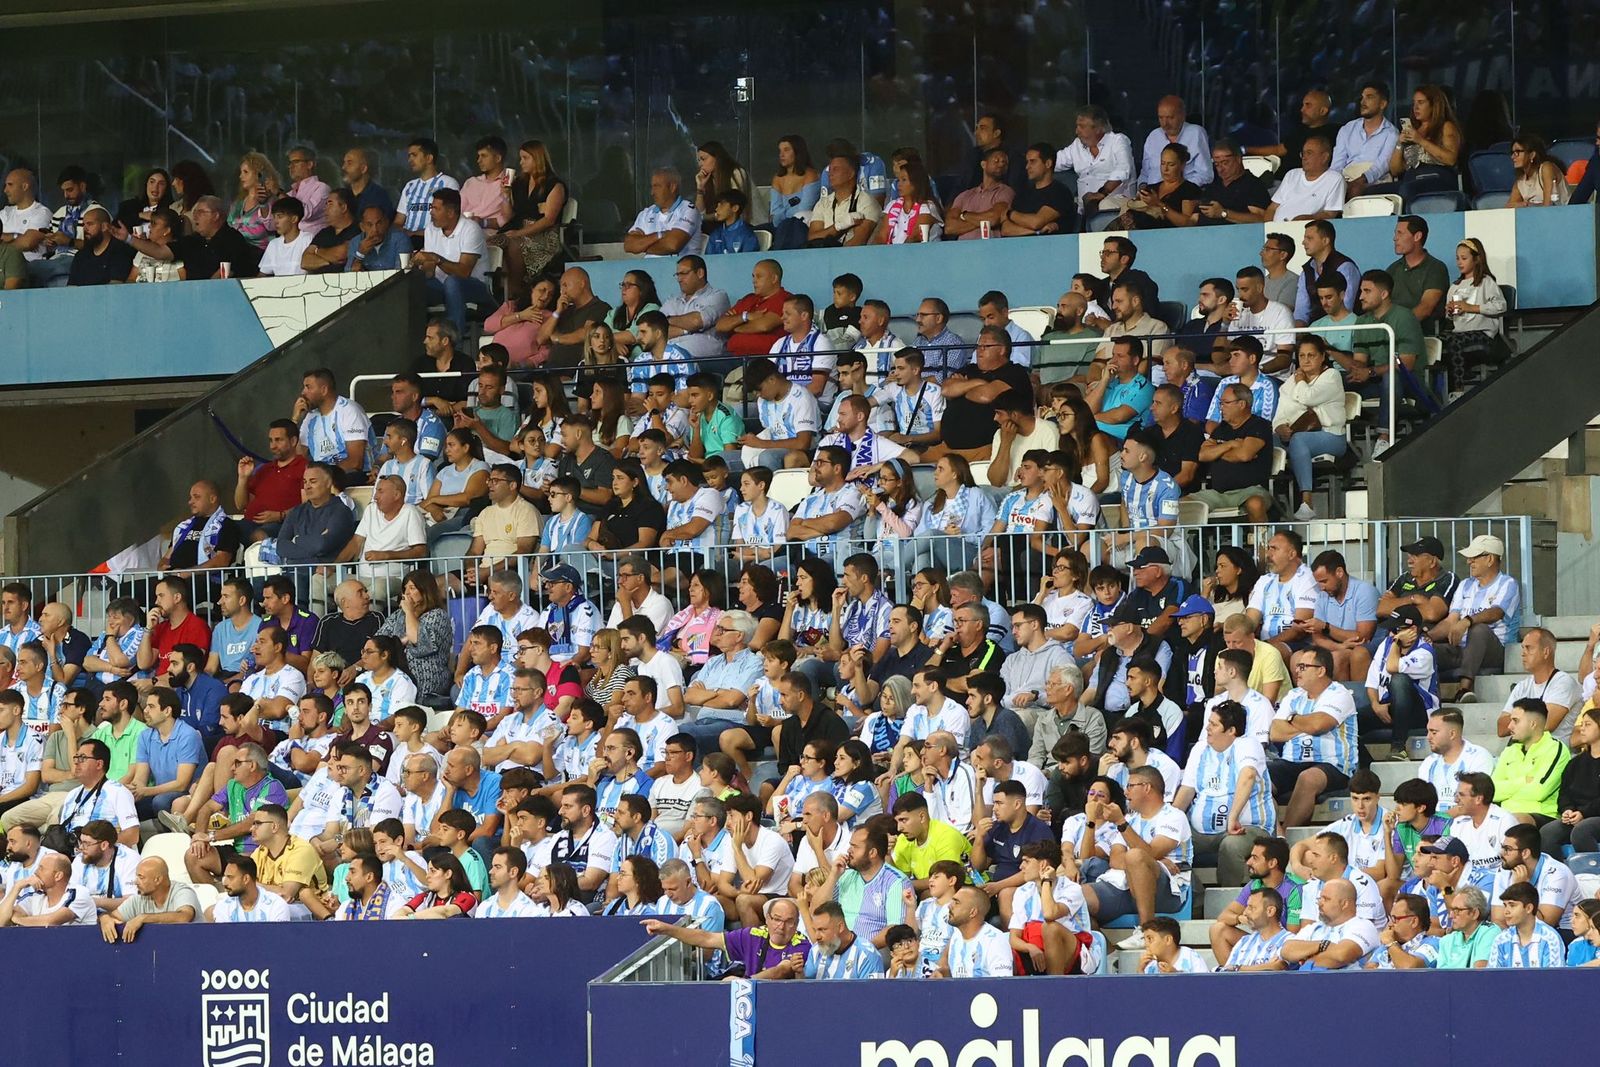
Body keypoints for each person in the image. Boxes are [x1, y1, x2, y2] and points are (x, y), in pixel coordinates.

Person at [1081, 765, 1192, 948]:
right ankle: (1109, 953)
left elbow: (1151, 853)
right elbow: (1115, 860)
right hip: (1124, 885)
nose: (1125, 792)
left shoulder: (1173, 816)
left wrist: (1121, 824)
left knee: (1135, 856)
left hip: (1168, 891)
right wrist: (1142, 862)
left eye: (1130, 786)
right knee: (1073, 899)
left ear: (1147, 787)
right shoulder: (1131, 820)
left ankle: (1146, 930)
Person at [1177, 700, 1276, 886]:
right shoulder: (1199, 749)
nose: (1207, 728)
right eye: (1209, 723)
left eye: (1214, 725)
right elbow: (1187, 790)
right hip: (1201, 832)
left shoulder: (1248, 744)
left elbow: (1247, 776)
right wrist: (1170, 821)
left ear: (1231, 730)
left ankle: (1229, 899)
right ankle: (1196, 895)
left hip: (1247, 827)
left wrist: (1233, 817)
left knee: (1231, 845)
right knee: (1170, 842)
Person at [1269, 647, 1359, 827]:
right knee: (1258, 777)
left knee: (1308, 778)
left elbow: (1318, 726)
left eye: (1303, 667)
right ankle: (1276, 834)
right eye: (1297, 666)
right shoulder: (1294, 694)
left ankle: (1286, 836)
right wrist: (1307, 725)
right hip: (1291, 761)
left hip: (1333, 764)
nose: (1297, 670)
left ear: (1321, 670)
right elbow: (1275, 733)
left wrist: (1291, 718)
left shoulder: (1339, 694)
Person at [1431, 534, 1519, 701]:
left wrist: (1467, 621)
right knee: (1426, 649)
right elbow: (1451, 621)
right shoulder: (1465, 585)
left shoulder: (1508, 584)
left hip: (1494, 651)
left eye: (1474, 557)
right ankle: (1426, 698)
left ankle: (1464, 690)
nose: (1468, 561)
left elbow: (1496, 613)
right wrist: (1426, 637)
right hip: (1462, 650)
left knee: (1479, 630)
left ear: (1490, 559)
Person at [1491, 698, 1571, 827]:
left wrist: (1507, 788)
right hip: (1506, 814)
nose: (1509, 726)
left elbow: (1539, 792)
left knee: (1514, 820)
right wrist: (1523, 781)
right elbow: (1492, 791)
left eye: (1515, 721)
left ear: (1533, 724)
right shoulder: (1510, 750)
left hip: (1542, 815)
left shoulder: (1555, 749)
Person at [1442, 237, 1508, 383]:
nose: (1459, 262)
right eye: (1457, 258)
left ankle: (1458, 387)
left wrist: (1471, 307)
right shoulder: (1454, 287)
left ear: (1477, 259)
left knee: (1455, 342)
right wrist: (1449, 311)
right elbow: (1450, 318)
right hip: (1459, 332)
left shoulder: (1486, 282)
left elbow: (1501, 305)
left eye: (1464, 258)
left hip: (1482, 334)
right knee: (1439, 342)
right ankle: (1446, 385)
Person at [1279, 879, 1381, 971]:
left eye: (1326, 899)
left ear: (1344, 904)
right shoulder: (1314, 927)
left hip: (1343, 984)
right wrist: (1323, 945)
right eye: (1320, 898)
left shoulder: (1363, 926)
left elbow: (1341, 955)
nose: (1320, 903)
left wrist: (1306, 958)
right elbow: (1286, 950)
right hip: (1306, 982)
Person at [1053, 105, 1134, 218]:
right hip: (1084, 211)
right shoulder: (1077, 145)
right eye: (1077, 126)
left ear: (1098, 128)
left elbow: (1123, 170)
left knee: (1104, 205)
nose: (1077, 131)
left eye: (1081, 126)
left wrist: (1101, 193)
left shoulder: (1118, 141)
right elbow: (1054, 162)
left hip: (1116, 211)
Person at [97, 857, 200, 942]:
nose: (136, 882)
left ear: (158, 880)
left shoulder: (182, 891)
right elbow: (114, 916)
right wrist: (104, 918)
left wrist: (143, 918)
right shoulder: (138, 899)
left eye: (141, 878)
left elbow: (184, 917)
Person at [1450, 772, 1520, 891]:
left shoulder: (1504, 821)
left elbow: (1514, 862)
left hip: (1498, 886)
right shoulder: (1458, 823)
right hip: (1465, 888)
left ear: (1478, 799)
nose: (1456, 800)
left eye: (1461, 795)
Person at [624, 167, 705, 256]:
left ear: (672, 187)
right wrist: (660, 235)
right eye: (652, 187)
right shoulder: (646, 213)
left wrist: (643, 247)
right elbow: (629, 245)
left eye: (657, 186)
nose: (652, 192)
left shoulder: (688, 210)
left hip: (680, 264)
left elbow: (673, 245)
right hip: (649, 265)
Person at [1000, 142, 1075, 236]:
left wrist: (1010, 214)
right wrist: (1037, 232)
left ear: (1048, 163)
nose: (1027, 167)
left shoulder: (1060, 192)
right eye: (1027, 162)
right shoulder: (1023, 194)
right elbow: (1006, 229)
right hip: (1019, 244)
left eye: (1032, 161)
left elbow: (1036, 222)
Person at [0, 853, 95, 927]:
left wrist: (17, 919)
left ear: (58, 876)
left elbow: (50, 922)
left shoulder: (79, 893)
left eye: (41, 868)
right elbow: (1, 922)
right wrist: (17, 887)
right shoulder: (36, 896)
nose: (35, 872)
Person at [1266, 133, 1344, 221]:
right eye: (1303, 153)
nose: (1304, 157)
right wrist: (1268, 227)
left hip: (1305, 228)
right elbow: (1272, 208)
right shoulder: (1292, 174)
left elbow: (1330, 214)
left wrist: (1307, 219)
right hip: (1276, 227)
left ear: (1324, 157)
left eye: (1309, 153)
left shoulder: (1334, 179)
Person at [1487, 881, 1565, 968]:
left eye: (1512, 905)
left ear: (1529, 908)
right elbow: (1493, 975)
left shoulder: (1550, 938)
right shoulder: (1501, 940)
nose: (1506, 911)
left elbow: (1554, 975)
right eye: (1505, 905)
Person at [1197, 138, 1270, 225]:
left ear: (1238, 159)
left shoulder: (1253, 185)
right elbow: (1195, 217)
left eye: (1225, 163)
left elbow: (1261, 218)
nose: (1220, 169)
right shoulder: (1212, 187)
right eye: (1217, 164)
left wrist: (1223, 213)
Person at [64, 207, 134, 286]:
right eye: (83, 225)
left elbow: (116, 286)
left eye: (90, 224)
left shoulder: (119, 251)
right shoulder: (81, 256)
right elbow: (71, 287)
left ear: (104, 227)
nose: (85, 229)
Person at [1435, 885, 1498, 968]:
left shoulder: (1489, 932)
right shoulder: (1447, 941)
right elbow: (1440, 975)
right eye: (1452, 910)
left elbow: (1481, 972)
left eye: (1457, 910)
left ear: (1474, 913)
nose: (1451, 915)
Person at [1507, 135, 1569, 207]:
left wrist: (1527, 205)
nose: (1513, 157)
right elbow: (1508, 207)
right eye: (1512, 153)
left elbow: (1549, 205)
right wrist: (1524, 204)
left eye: (1518, 152)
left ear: (1532, 155)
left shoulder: (1546, 168)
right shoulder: (1520, 181)